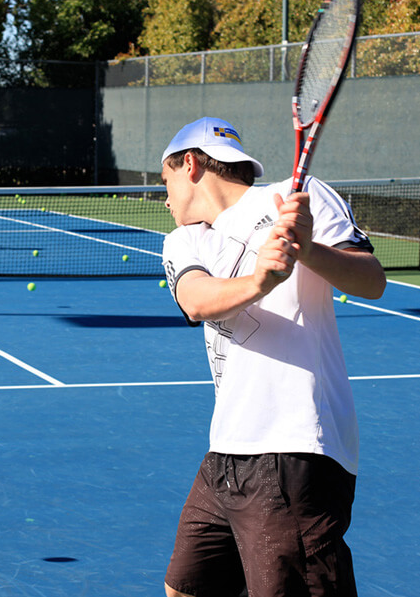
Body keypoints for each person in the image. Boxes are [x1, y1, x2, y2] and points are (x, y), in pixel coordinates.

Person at [159, 116, 386, 597]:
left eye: (166, 181)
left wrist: (309, 251)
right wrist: (262, 280)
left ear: (191, 164)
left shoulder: (297, 198)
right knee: (185, 589)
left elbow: (372, 280)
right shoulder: (184, 239)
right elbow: (197, 300)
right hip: (226, 450)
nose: (165, 197)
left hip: (293, 447)